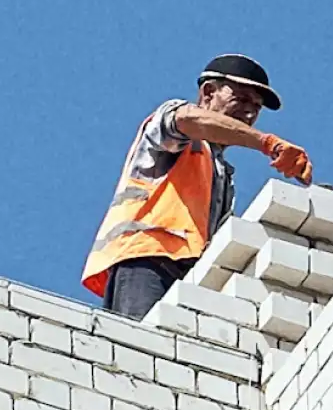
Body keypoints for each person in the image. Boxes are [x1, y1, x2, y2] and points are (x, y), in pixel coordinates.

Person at [82, 54, 312, 319]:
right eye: (242, 99)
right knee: (142, 351)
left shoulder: (221, 174)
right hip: (148, 260)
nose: (249, 112)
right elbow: (188, 121)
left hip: (189, 279)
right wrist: (266, 142)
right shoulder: (180, 129)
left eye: (256, 107)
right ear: (208, 92)